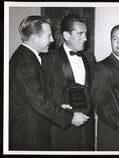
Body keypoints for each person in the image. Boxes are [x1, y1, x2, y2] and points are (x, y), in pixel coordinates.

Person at [9, 15, 89, 150]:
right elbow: (40, 103)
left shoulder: (26, 57)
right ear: (34, 39)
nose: (52, 40)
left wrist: (58, 106)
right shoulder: (25, 63)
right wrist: (70, 118)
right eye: (49, 36)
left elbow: (36, 96)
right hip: (29, 134)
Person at [40, 14, 96, 151]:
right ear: (66, 35)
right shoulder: (48, 58)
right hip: (62, 129)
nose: (86, 38)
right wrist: (66, 115)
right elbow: (41, 96)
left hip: (87, 127)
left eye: (86, 34)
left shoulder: (90, 58)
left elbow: (102, 79)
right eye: (80, 34)